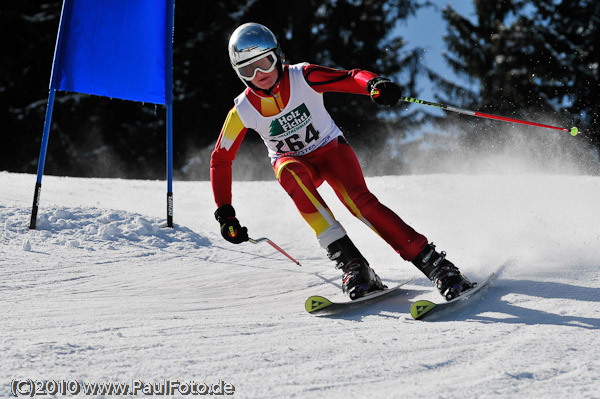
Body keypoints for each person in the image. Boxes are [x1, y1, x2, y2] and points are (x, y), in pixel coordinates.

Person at [210, 22, 474, 301]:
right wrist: (225, 212)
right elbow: (220, 159)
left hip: (330, 151)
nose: (259, 74)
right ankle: (354, 266)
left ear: (278, 56)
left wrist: (374, 84)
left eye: (264, 63)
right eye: (247, 70)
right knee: (289, 172)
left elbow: (350, 77)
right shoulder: (243, 109)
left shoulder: (303, 76)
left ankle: (437, 266)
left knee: (359, 202)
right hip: (294, 164)